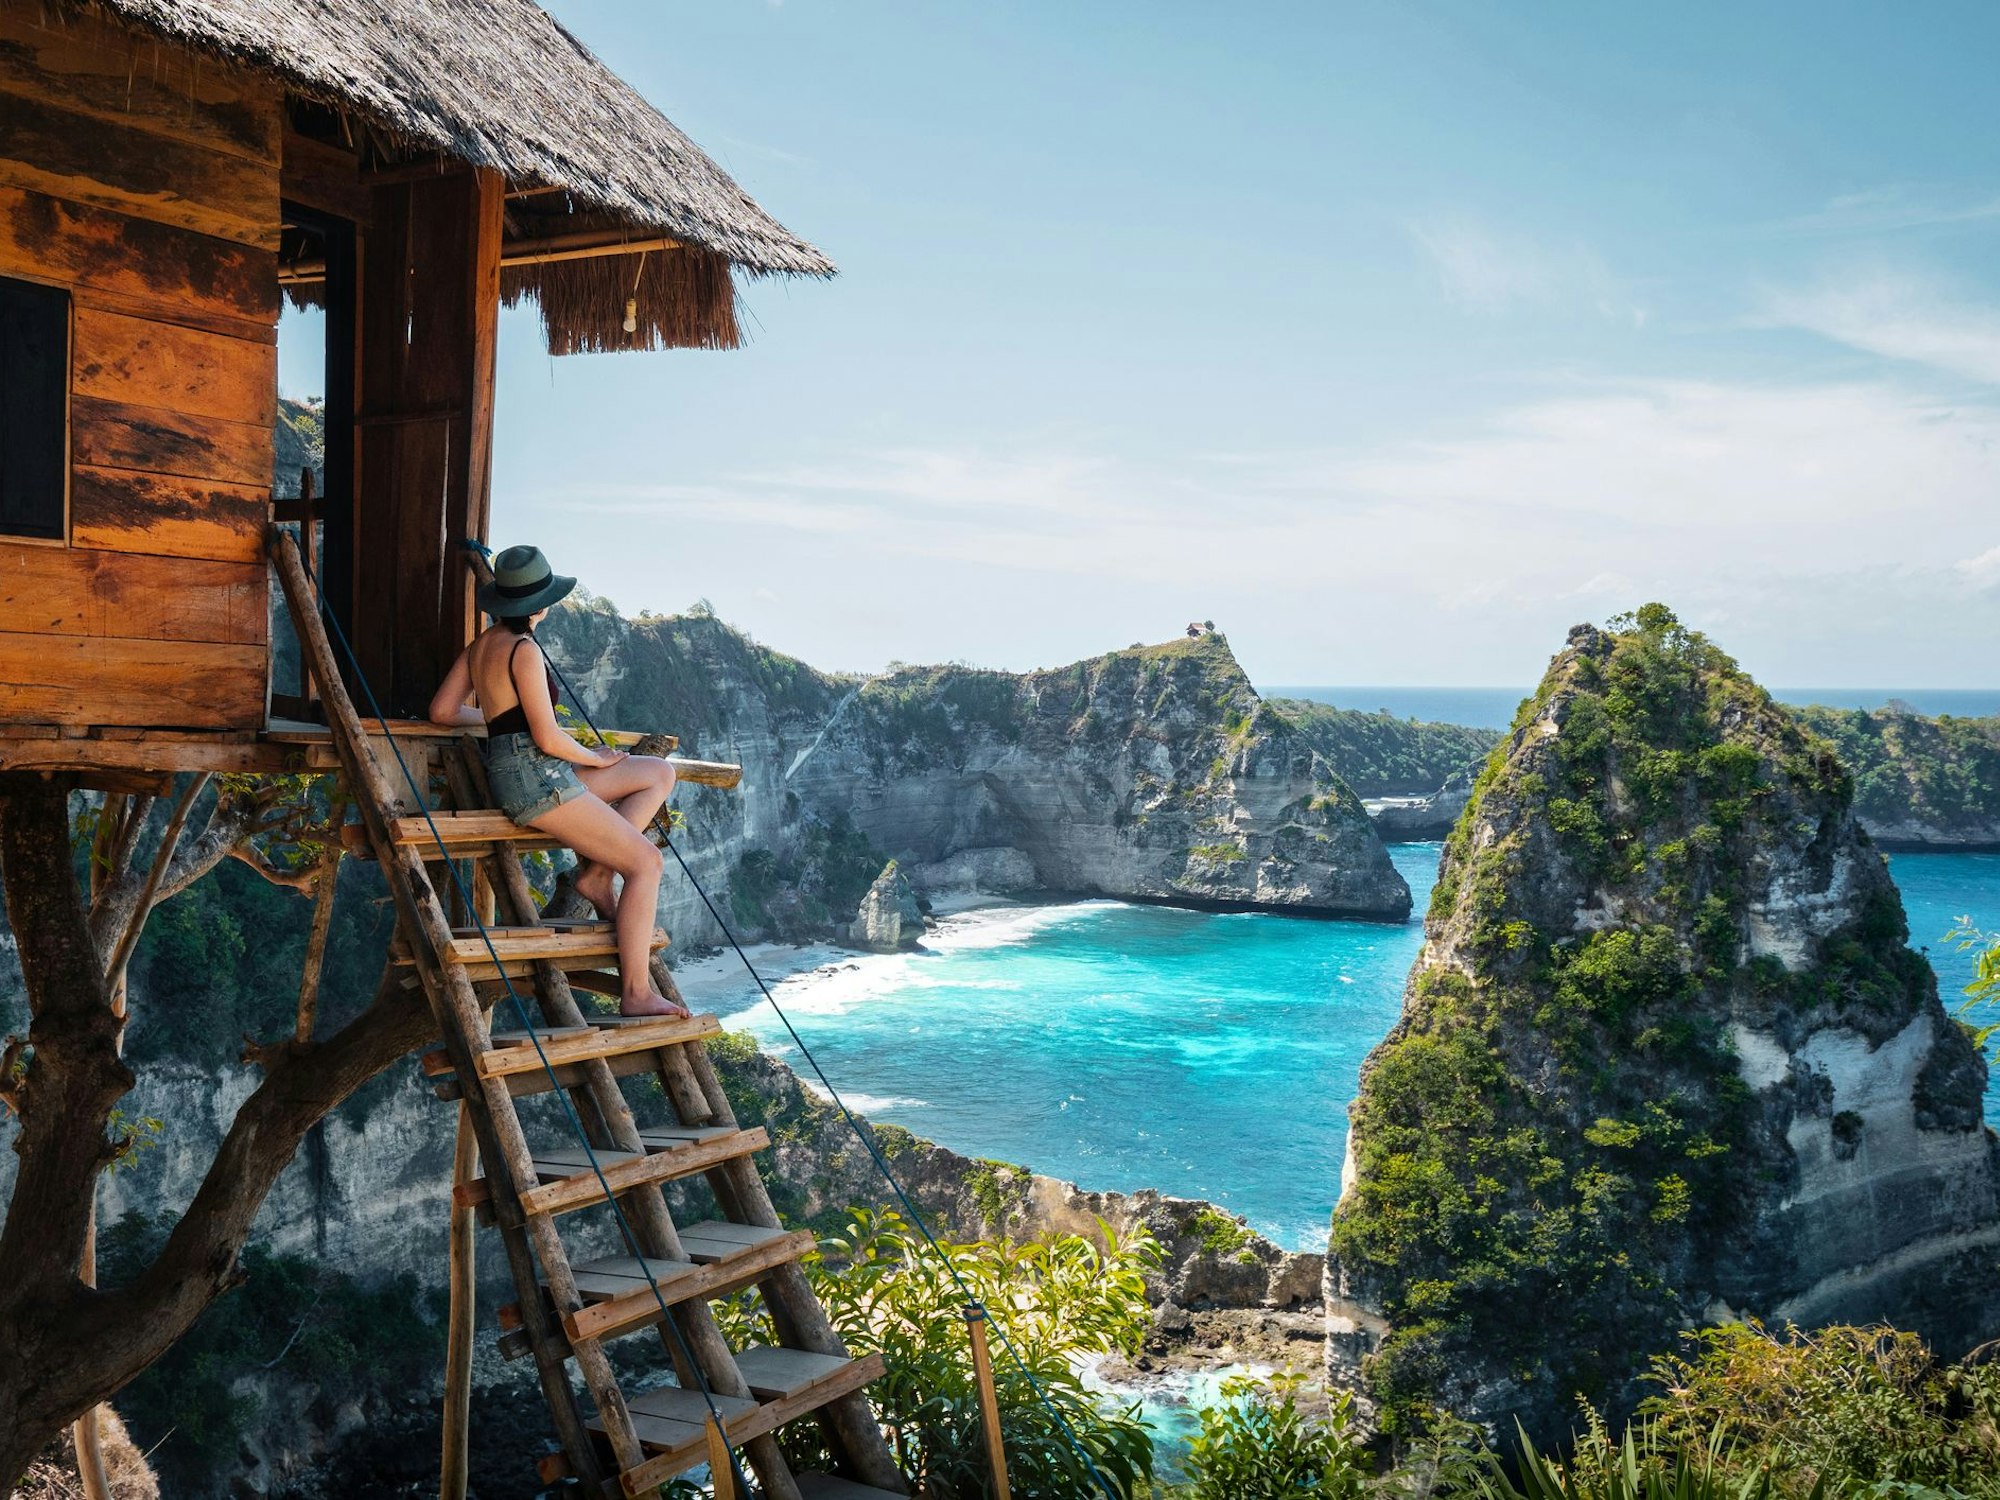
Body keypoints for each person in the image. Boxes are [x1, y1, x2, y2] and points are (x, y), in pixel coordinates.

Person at [428, 545, 685, 1017]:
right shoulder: (524, 650)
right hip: (536, 780)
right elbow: (547, 737)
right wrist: (597, 758)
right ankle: (635, 993)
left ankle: (597, 873)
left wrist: (496, 722)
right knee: (647, 863)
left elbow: (442, 711)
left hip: (527, 772)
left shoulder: (482, 646)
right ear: (541, 604)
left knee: (657, 772)